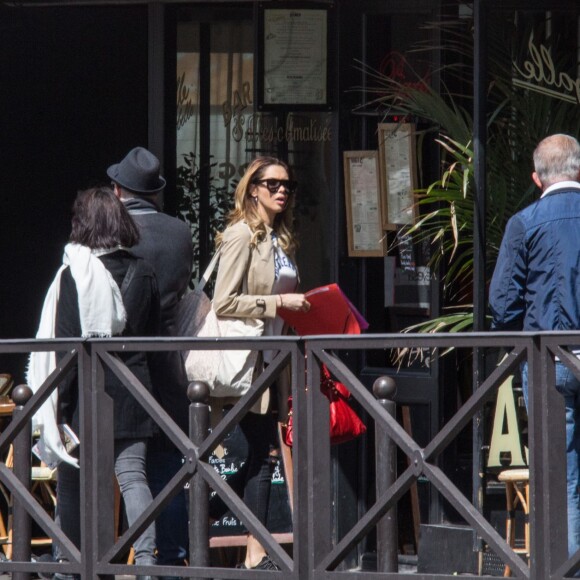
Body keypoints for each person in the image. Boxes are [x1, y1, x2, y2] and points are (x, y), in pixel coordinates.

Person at [29, 186, 160, 580]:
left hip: (87, 394)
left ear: (83, 224)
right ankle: (149, 563)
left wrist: (60, 406)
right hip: (135, 390)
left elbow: (67, 345)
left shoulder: (76, 274)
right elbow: (152, 337)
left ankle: (69, 565)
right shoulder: (145, 270)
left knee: (72, 479)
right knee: (133, 477)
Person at [212, 156, 310, 570]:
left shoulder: (276, 239)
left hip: (271, 361)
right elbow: (223, 302)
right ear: (253, 188)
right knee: (263, 452)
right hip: (245, 362)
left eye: (287, 184)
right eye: (272, 184)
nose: (282, 190)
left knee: (262, 452)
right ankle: (252, 548)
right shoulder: (241, 236)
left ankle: (251, 546)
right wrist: (278, 302)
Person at [489, 134, 580, 559]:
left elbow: (502, 303)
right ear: (578, 170)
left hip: (550, 362)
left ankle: (565, 568)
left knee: (560, 473)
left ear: (536, 178)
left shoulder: (525, 222)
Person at [108, 146, 193, 578]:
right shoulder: (180, 233)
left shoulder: (115, 234)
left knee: (129, 468)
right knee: (168, 468)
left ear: (118, 190)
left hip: (124, 364)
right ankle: (174, 557)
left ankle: (136, 558)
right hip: (169, 361)